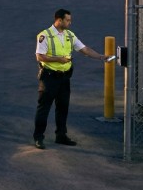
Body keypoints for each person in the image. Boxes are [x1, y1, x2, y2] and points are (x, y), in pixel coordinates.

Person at [33, 8, 109, 149]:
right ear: (59, 20)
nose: (70, 22)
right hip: (49, 77)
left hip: (64, 78)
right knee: (44, 108)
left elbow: (84, 49)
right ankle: (38, 137)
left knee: (63, 108)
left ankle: (61, 136)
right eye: (67, 20)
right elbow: (40, 56)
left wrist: (100, 56)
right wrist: (59, 59)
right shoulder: (45, 35)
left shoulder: (69, 35)